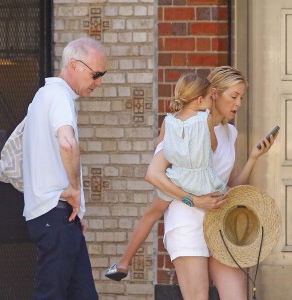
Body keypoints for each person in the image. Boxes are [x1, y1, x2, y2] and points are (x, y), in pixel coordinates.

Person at [105, 66, 278, 300]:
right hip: (187, 223)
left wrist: (253, 158)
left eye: (241, 98)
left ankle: (123, 262)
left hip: (220, 226)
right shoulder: (184, 127)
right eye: (234, 96)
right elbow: (156, 174)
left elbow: (232, 187)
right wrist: (193, 199)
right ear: (213, 94)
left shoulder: (230, 133)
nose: (238, 103)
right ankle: (123, 262)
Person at [105, 71, 228, 281]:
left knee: (151, 214)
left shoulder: (168, 121)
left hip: (176, 179)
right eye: (209, 98)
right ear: (200, 100)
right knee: (224, 201)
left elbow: (160, 145)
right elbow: (213, 146)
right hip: (200, 180)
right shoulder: (205, 118)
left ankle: (124, 262)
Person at [23, 37, 106, 300]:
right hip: (55, 215)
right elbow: (67, 143)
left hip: (58, 217)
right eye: (96, 74)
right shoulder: (58, 96)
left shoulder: (43, 96)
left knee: (82, 295)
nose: (99, 82)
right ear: (74, 65)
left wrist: (75, 209)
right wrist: (75, 190)